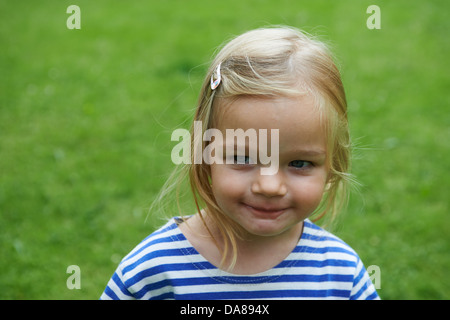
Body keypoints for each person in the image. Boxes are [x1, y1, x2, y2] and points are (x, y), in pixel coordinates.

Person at [100, 26, 379, 300]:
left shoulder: (340, 274)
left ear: (333, 164)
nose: (269, 186)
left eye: (299, 163)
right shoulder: (153, 272)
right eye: (243, 158)